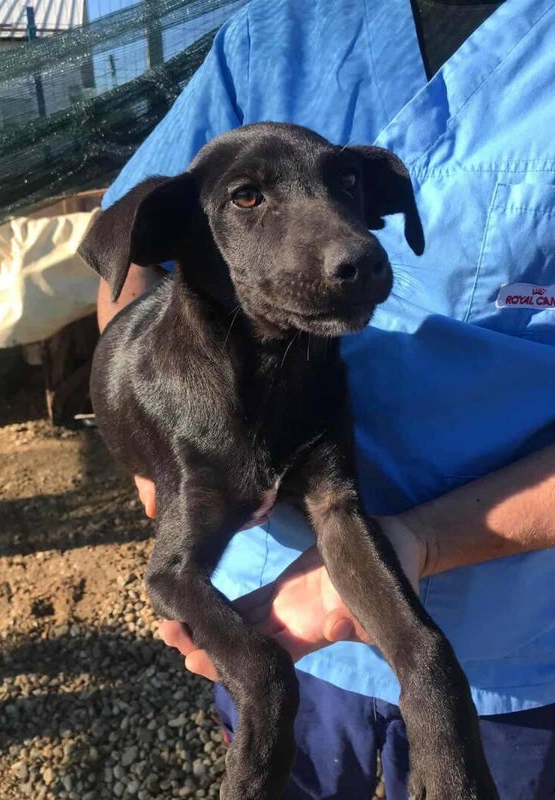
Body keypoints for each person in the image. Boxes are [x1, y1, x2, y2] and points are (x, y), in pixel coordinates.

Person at [96, 0, 555, 797]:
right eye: (251, 199)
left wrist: (424, 542)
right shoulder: (278, 30)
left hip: (509, 637)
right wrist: (142, 429)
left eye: (345, 186)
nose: (349, 244)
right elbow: (129, 240)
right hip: (274, 603)